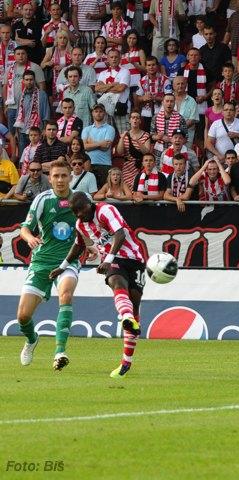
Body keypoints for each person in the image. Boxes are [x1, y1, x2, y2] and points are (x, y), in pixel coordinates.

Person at [50, 192, 146, 378]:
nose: (79, 215)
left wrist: (108, 260)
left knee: (134, 305)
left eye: (81, 210)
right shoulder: (80, 225)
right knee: (115, 281)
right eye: (75, 212)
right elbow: (78, 246)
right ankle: (126, 317)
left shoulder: (105, 210)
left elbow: (119, 233)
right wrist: (62, 267)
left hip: (134, 258)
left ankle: (126, 361)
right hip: (113, 262)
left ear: (89, 204)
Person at [15, 160, 82, 371]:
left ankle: (60, 351)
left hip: (68, 260)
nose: (60, 180)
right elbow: (24, 229)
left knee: (66, 295)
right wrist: (30, 239)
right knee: (23, 316)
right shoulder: (42, 200)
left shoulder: (81, 199)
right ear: (50, 178)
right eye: (56, 176)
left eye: (64, 175)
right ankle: (32, 339)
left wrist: (91, 245)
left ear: (70, 177)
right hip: (42, 261)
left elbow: (93, 225)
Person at [82, 104, 116, 186]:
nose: (98, 113)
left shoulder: (110, 128)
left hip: (104, 165)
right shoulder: (86, 129)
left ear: (104, 113)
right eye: (96, 111)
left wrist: (91, 143)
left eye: (101, 111)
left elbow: (105, 147)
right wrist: (100, 143)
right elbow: (84, 147)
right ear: (92, 113)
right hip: (88, 164)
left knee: (102, 192)